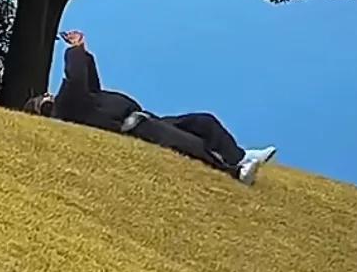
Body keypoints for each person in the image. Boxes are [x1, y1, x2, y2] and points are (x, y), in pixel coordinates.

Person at [26, 29, 276, 185]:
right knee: (193, 146)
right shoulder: (67, 109)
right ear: (45, 108)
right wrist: (75, 50)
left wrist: (84, 51)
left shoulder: (83, 100)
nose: (49, 94)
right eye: (44, 97)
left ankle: (241, 156)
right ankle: (235, 174)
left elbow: (89, 81)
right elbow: (76, 78)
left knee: (203, 121)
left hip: (149, 119)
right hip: (138, 129)